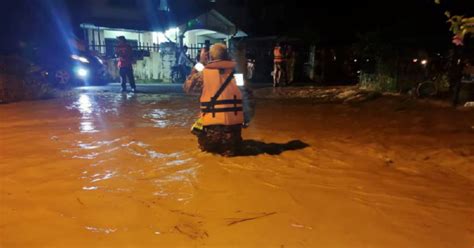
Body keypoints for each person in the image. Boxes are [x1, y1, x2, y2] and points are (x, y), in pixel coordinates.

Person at [184, 43, 244, 156]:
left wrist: (200, 63)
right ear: (227, 56)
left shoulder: (202, 75)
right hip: (233, 138)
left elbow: (187, 88)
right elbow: (246, 97)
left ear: (209, 58)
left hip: (210, 135)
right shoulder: (238, 75)